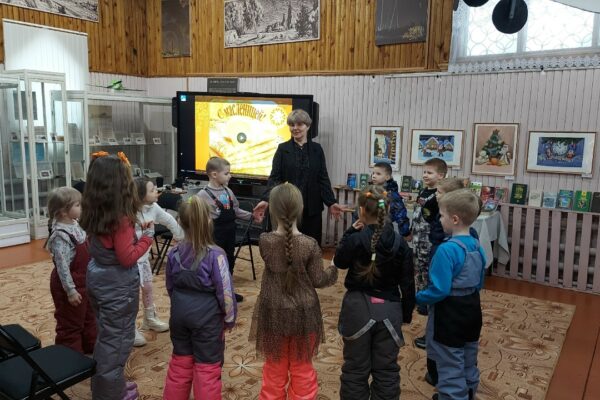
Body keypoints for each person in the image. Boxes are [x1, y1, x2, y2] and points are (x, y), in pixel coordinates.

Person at [250, 183, 338, 399]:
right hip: (304, 314)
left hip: (274, 312)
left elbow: (279, 253)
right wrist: (334, 268)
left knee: (274, 368)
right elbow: (318, 280)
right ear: (301, 209)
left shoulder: (265, 241)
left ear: (272, 210)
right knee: (302, 368)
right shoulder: (310, 244)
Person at [80, 152, 154, 400]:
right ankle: (111, 394)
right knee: (118, 342)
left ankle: (111, 387)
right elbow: (127, 257)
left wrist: (134, 234)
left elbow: (108, 245)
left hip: (97, 277)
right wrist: (146, 239)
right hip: (117, 285)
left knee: (107, 335)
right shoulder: (121, 218)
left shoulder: (94, 210)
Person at [333, 185, 415, 399]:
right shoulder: (401, 244)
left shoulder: (355, 239)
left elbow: (339, 262)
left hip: (357, 309)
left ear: (361, 210)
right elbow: (408, 283)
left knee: (355, 369)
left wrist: (350, 232)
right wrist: (406, 314)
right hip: (390, 310)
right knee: (387, 370)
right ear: (386, 209)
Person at [163, 196, 237, 400]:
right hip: (207, 321)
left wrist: (181, 306)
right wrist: (229, 319)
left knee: (179, 366)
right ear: (209, 221)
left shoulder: (173, 253)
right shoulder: (216, 255)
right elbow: (226, 293)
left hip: (179, 316)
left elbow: (170, 286)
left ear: (180, 222)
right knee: (207, 370)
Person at [416, 189, 486, 400]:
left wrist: (418, 298)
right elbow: (480, 280)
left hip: (450, 312)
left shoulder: (446, 250)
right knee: (469, 356)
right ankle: (469, 392)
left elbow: (440, 289)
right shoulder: (477, 245)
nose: (439, 219)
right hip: (472, 307)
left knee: (449, 361)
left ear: (454, 219)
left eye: (442, 215)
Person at [253, 109, 342, 245]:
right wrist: (266, 199)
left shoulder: (317, 149)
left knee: (310, 246)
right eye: (292, 125)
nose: (295, 128)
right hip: (287, 207)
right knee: (286, 247)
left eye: (299, 124)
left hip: (312, 209)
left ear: (308, 126)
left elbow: (323, 178)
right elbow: (275, 178)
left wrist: (331, 202)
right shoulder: (282, 149)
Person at [197, 156, 258, 302]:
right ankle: (213, 292)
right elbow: (197, 217)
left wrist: (252, 216)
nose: (230, 176)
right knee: (214, 263)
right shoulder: (202, 195)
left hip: (230, 233)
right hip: (214, 235)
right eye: (226, 173)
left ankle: (227, 291)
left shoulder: (228, 191)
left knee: (229, 261)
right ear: (214, 174)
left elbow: (235, 211)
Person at [133, 178, 184, 347]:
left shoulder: (154, 207)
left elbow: (169, 220)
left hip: (143, 259)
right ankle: (129, 328)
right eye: (152, 190)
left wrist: (181, 237)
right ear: (141, 195)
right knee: (131, 295)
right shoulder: (129, 211)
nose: (157, 191)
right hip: (129, 261)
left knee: (148, 288)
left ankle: (150, 319)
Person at [46, 186, 96, 354]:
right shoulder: (60, 236)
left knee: (88, 316)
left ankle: (90, 346)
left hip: (84, 281)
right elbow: (62, 267)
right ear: (63, 212)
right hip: (68, 286)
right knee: (70, 322)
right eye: (77, 205)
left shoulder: (75, 224)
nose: (81, 207)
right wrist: (70, 291)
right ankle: (70, 356)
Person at [411, 158, 447, 349]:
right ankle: (422, 300)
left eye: (430, 172)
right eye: (424, 172)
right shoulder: (423, 191)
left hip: (429, 242)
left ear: (441, 176)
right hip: (417, 240)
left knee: (427, 272)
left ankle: (427, 301)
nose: (425, 175)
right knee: (418, 271)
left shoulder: (439, 197)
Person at [371, 161, 410, 237]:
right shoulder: (372, 190)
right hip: (369, 228)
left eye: (378, 174)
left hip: (384, 230)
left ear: (387, 177)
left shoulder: (391, 194)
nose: (374, 176)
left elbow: (401, 214)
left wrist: (405, 233)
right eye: (373, 173)